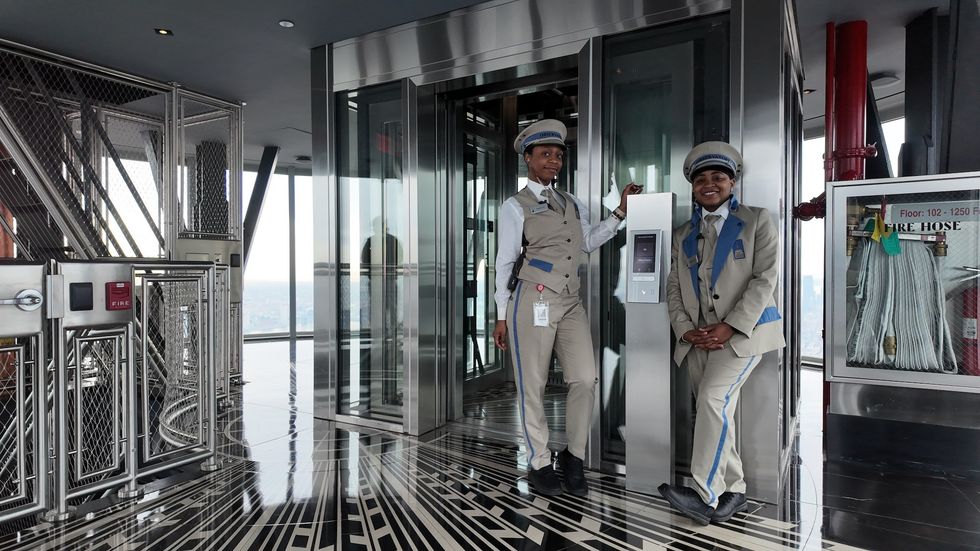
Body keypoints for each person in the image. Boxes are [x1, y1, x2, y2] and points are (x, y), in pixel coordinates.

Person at [492, 118, 641, 497]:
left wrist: (620, 213)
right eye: (545, 154)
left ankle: (572, 456)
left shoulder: (571, 202)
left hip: (570, 301)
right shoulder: (515, 206)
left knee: (585, 379)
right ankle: (539, 461)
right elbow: (505, 262)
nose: (553, 161)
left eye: (558, 155)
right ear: (528, 158)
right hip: (532, 300)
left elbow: (588, 243)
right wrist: (500, 313)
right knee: (533, 385)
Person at [659, 141, 785, 524]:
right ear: (693, 188)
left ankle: (704, 494)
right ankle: (736, 489)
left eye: (718, 177)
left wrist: (730, 326)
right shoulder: (684, 234)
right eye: (701, 180)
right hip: (698, 339)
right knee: (717, 411)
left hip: (743, 336)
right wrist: (685, 330)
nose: (709, 184)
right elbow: (674, 287)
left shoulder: (759, 220)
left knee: (712, 402)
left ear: (733, 183)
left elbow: (765, 279)